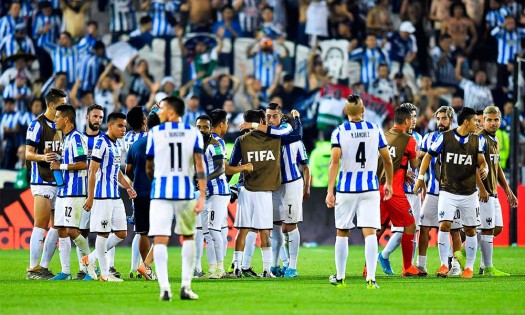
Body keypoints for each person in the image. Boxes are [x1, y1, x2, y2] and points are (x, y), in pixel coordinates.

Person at [326, 94, 393, 289]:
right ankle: (371, 279)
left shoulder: (339, 131)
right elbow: (387, 160)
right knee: (370, 232)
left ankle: (340, 278)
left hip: (346, 189)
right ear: (363, 110)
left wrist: (330, 190)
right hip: (370, 188)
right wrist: (388, 183)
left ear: (345, 111)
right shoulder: (375, 129)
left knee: (342, 231)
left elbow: (335, 161)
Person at [415, 107, 489, 279]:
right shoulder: (445, 138)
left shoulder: (478, 140)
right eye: (475, 121)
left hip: (469, 192)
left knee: (470, 230)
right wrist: (420, 178)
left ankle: (468, 267)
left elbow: (481, 161)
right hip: (447, 191)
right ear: (466, 122)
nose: (477, 124)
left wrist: (484, 168)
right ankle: (443, 265)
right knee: (444, 225)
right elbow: (427, 156)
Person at [145, 96, 206, 301]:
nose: (158, 112)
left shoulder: (154, 133)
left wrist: (156, 178)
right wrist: (203, 195)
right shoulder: (193, 133)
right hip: (186, 192)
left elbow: (149, 166)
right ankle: (186, 287)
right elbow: (199, 166)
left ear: (171, 112)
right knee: (188, 237)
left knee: (160, 239)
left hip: (161, 193)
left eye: (161, 108)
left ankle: (164, 289)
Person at [81, 112, 137, 282]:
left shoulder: (117, 145)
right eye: (120, 126)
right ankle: (104, 274)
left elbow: (117, 172)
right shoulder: (101, 142)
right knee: (103, 234)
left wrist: (128, 187)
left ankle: (90, 259)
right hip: (102, 197)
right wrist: (90, 197)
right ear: (110, 125)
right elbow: (92, 171)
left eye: (125, 126)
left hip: (115, 196)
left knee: (121, 233)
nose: (124, 129)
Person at [228, 109, 282, 278]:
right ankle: (266, 270)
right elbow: (295, 134)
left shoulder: (241, 140)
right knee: (265, 231)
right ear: (260, 120)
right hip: (264, 191)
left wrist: (227, 184)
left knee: (243, 230)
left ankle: (237, 267)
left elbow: (231, 166)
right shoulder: (274, 138)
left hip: (246, 188)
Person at [25, 88, 67, 280]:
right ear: (51, 104)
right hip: (41, 180)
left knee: (58, 226)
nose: (64, 108)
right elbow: (28, 153)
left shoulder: (61, 126)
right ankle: (33, 268)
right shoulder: (37, 124)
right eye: (61, 105)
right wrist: (44, 156)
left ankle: (43, 266)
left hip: (58, 180)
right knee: (40, 224)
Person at [416, 106, 462, 276]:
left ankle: (455, 266)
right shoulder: (428, 138)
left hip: (452, 192)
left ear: (451, 120)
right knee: (424, 227)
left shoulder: (458, 138)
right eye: (438, 118)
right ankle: (421, 265)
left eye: (444, 118)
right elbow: (419, 158)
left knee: (454, 230)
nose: (440, 122)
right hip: (433, 192)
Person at [375, 106, 420, 277]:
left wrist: (402, 167)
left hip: (378, 188)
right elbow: (415, 165)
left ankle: (367, 268)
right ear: (407, 121)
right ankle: (408, 267)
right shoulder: (409, 139)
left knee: (377, 229)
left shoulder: (383, 136)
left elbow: (385, 161)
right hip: (394, 190)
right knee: (410, 225)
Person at [475, 106, 517, 276]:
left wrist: (508, 190)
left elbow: (496, 166)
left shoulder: (496, 139)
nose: (493, 123)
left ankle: (462, 253)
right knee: (486, 228)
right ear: (483, 121)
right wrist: (481, 188)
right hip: (483, 191)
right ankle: (487, 266)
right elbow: (472, 165)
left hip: (493, 190)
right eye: (489, 120)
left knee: (496, 228)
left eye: (496, 120)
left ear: (500, 120)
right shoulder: (480, 139)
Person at [49, 105, 90, 280]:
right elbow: (70, 161)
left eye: (57, 116)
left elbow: (83, 164)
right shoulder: (66, 139)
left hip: (75, 192)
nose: (55, 119)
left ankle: (89, 268)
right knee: (60, 229)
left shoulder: (77, 139)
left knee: (73, 230)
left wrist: (61, 165)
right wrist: (57, 158)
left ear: (66, 119)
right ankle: (65, 271)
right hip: (63, 191)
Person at [193, 114, 230, 279]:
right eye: (199, 127)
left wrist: (204, 179)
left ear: (210, 128)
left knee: (214, 231)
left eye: (205, 127)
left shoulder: (214, 145)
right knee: (207, 233)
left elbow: (221, 168)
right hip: (206, 193)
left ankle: (221, 269)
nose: (201, 130)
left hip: (218, 192)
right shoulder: (196, 146)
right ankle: (212, 270)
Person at [126, 112, 161, 281]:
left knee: (143, 232)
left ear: (147, 126)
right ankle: (146, 265)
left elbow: (128, 170)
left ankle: (145, 268)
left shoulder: (136, 145)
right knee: (162, 232)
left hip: (139, 193)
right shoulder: (164, 144)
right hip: (158, 193)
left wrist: (137, 182)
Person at [74, 104, 104, 280]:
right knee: (82, 231)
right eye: (95, 116)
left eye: (100, 117)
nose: (98, 120)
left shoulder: (105, 140)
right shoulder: (80, 140)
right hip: (83, 192)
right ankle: (83, 268)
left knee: (104, 231)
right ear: (87, 117)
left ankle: (108, 266)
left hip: (101, 193)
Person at [123, 106, 148, 278]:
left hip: (132, 186)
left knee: (140, 230)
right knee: (148, 231)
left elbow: (128, 169)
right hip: (148, 188)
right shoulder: (147, 138)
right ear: (143, 120)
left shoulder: (126, 138)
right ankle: (143, 266)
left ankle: (134, 267)